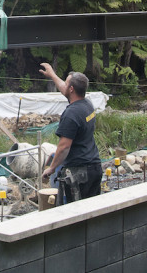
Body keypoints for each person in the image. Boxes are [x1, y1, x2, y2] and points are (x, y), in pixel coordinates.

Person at [39, 63, 102, 203]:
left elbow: (64, 147)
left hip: (80, 173)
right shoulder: (87, 104)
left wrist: (52, 168)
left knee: (77, 211)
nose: (64, 85)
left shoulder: (71, 114)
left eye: (66, 83)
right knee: (94, 207)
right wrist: (52, 75)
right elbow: (65, 88)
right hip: (94, 168)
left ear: (72, 89)